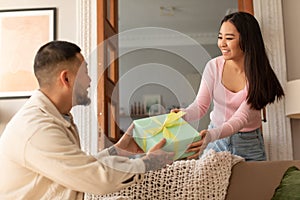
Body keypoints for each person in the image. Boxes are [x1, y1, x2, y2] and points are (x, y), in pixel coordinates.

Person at [0, 40, 174, 199]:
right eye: (85, 72)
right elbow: (97, 179)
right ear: (66, 79)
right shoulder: (37, 129)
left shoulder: (57, 117)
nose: (90, 81)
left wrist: (118, 150)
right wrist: (149, 163)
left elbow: (79, 167)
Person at [173, 12, 284, 161]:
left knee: (253, 184)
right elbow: (201, 106)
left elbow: (240, 119)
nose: (222, 44)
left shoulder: (259, 75)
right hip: (216, 142)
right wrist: (182, 115)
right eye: (220, 37)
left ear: (247, 41)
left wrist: (210, 136)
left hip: (248, 144)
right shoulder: (213, 66)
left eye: (229, 38)